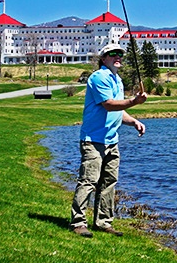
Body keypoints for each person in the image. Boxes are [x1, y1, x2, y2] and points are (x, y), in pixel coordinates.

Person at [70, 42, 147, 238]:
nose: (117, 57)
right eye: (112, 54)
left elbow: (119, 112)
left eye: (120, 54)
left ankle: (104, 222)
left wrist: (134, 122)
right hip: (93, 140)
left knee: (109, 182)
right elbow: (109, 105)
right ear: (103, 59)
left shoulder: (117, 80)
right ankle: (78, 223)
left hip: (112, 141)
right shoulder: (99, 77)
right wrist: (134, 101)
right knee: (88, 181)